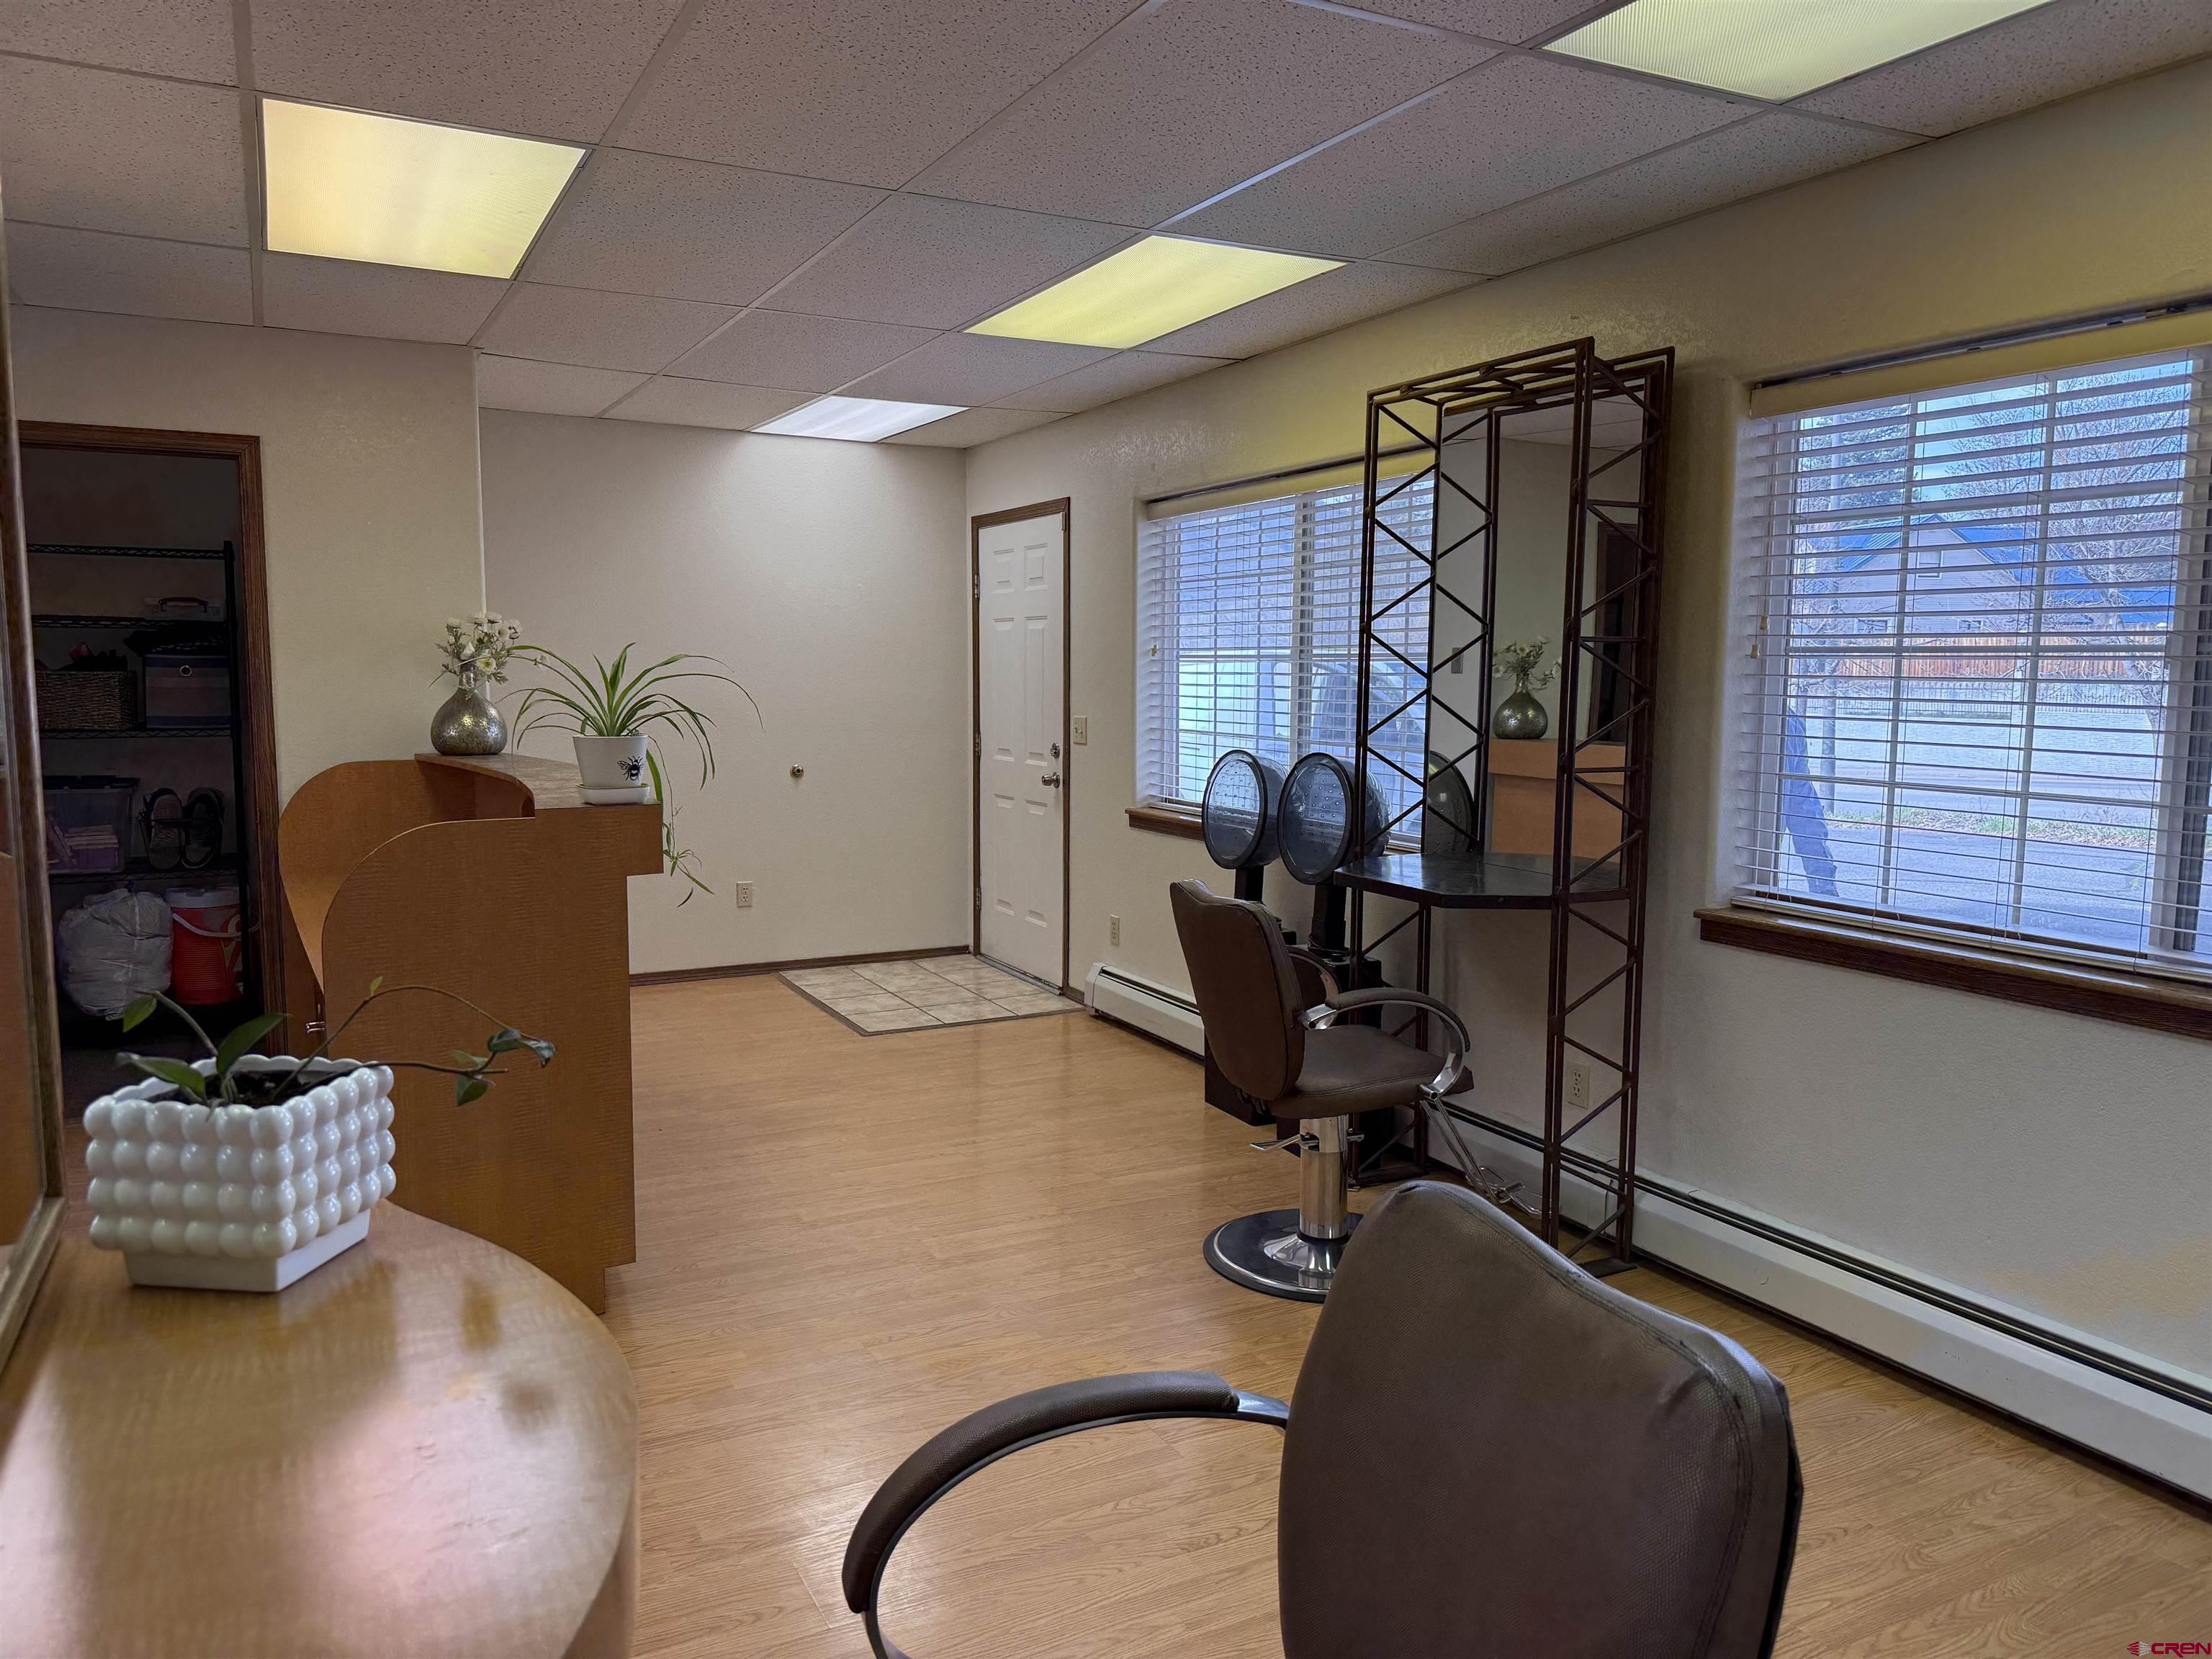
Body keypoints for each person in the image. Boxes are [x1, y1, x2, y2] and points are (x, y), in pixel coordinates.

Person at [1781, 706, 1839, 897]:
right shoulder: (1789, 721)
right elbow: (1803, 805)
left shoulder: (1788, 722)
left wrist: (1824, 891)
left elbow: (1801, 801)